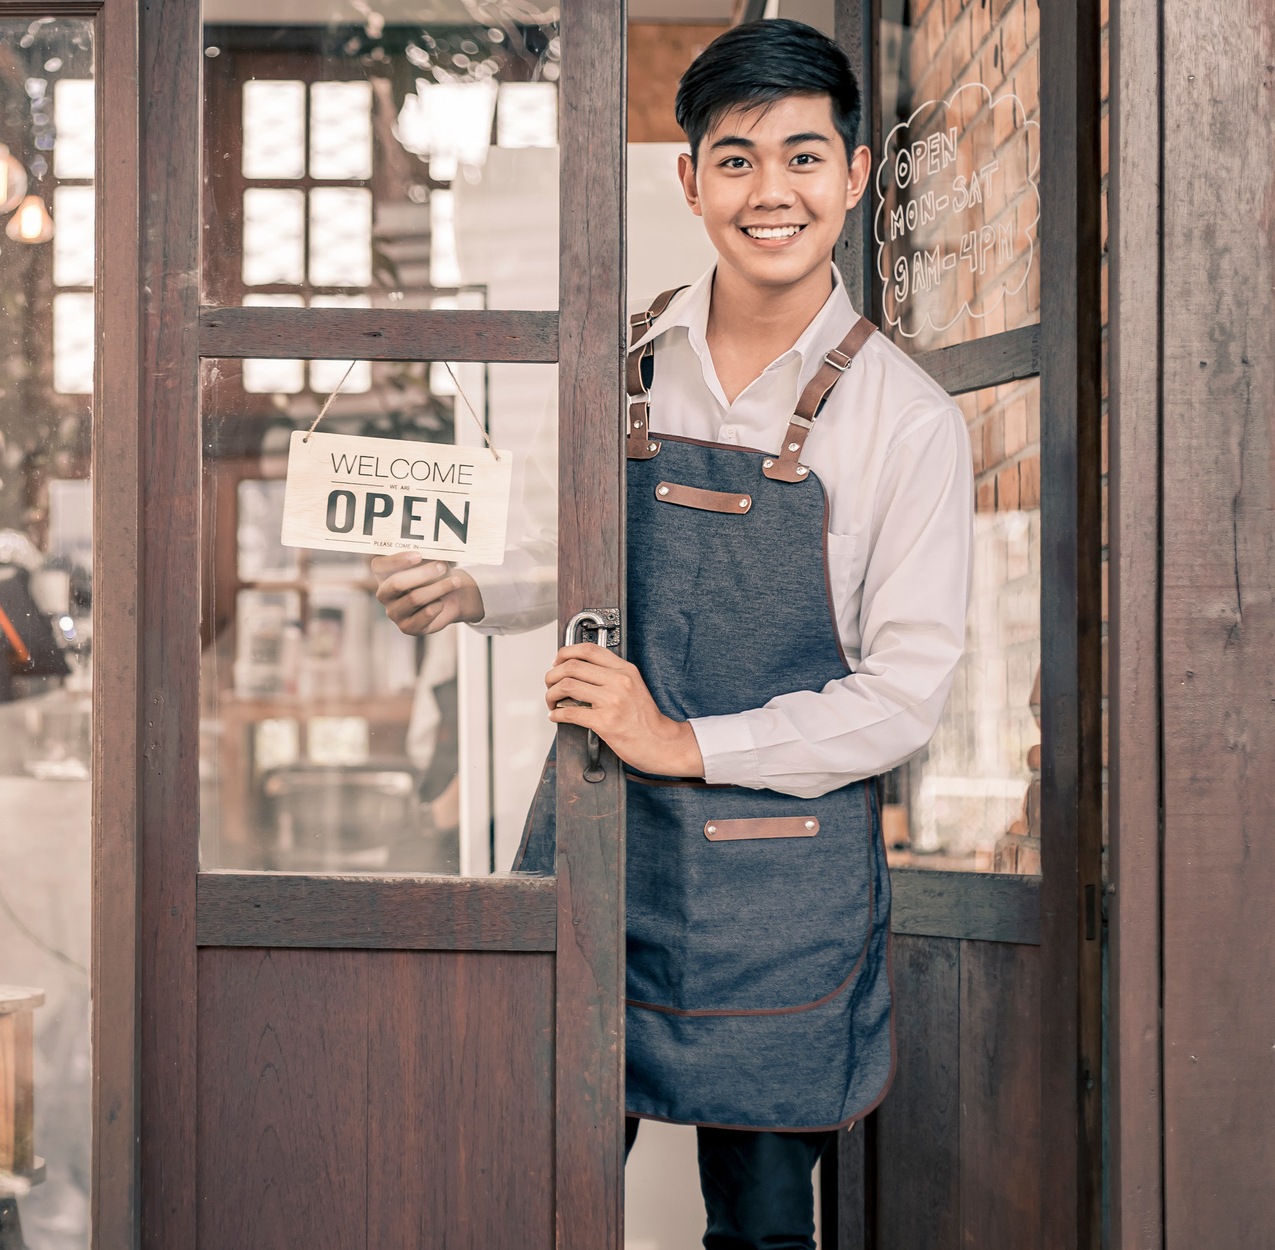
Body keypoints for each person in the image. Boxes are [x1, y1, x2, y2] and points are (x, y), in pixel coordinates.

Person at [372, 19, 972, 1250]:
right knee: (534, 1186)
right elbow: (567, 547)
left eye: (802, 157)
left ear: (853, 178)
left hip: (780, 884)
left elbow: (903, 693)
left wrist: (678, 738)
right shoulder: (625, 357)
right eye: (736, 158)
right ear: (686, 178)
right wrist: (470, 588)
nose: (771, 192)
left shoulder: (905, 421)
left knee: (757, 1227)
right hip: (607, 842)